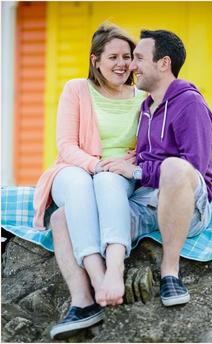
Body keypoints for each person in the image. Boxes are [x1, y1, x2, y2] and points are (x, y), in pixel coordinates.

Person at [32, 23, 145, 339]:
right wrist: (95, 165)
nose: (121, 64)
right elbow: (66, 146)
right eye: (113, 57)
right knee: (83, 183)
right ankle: (100, 279)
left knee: (96, 191)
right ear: (96, 60)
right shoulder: (76, 89)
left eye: (127, 56)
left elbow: (146, 151)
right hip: (73, 169)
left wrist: (124, 165)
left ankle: (113, 272)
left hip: (117, 174)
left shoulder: (144, 99)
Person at [101, 29, 212, 307]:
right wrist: (128, 163)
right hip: (147, 204)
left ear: (164, 63)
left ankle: (170, 273)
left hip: (188, 207)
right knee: (74, 216)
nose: (131, 66)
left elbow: (193, 170)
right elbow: (145, 157)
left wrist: (139, 171)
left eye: (139, 58)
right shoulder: (146, 107)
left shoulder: (190, 103)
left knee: (175, 168)